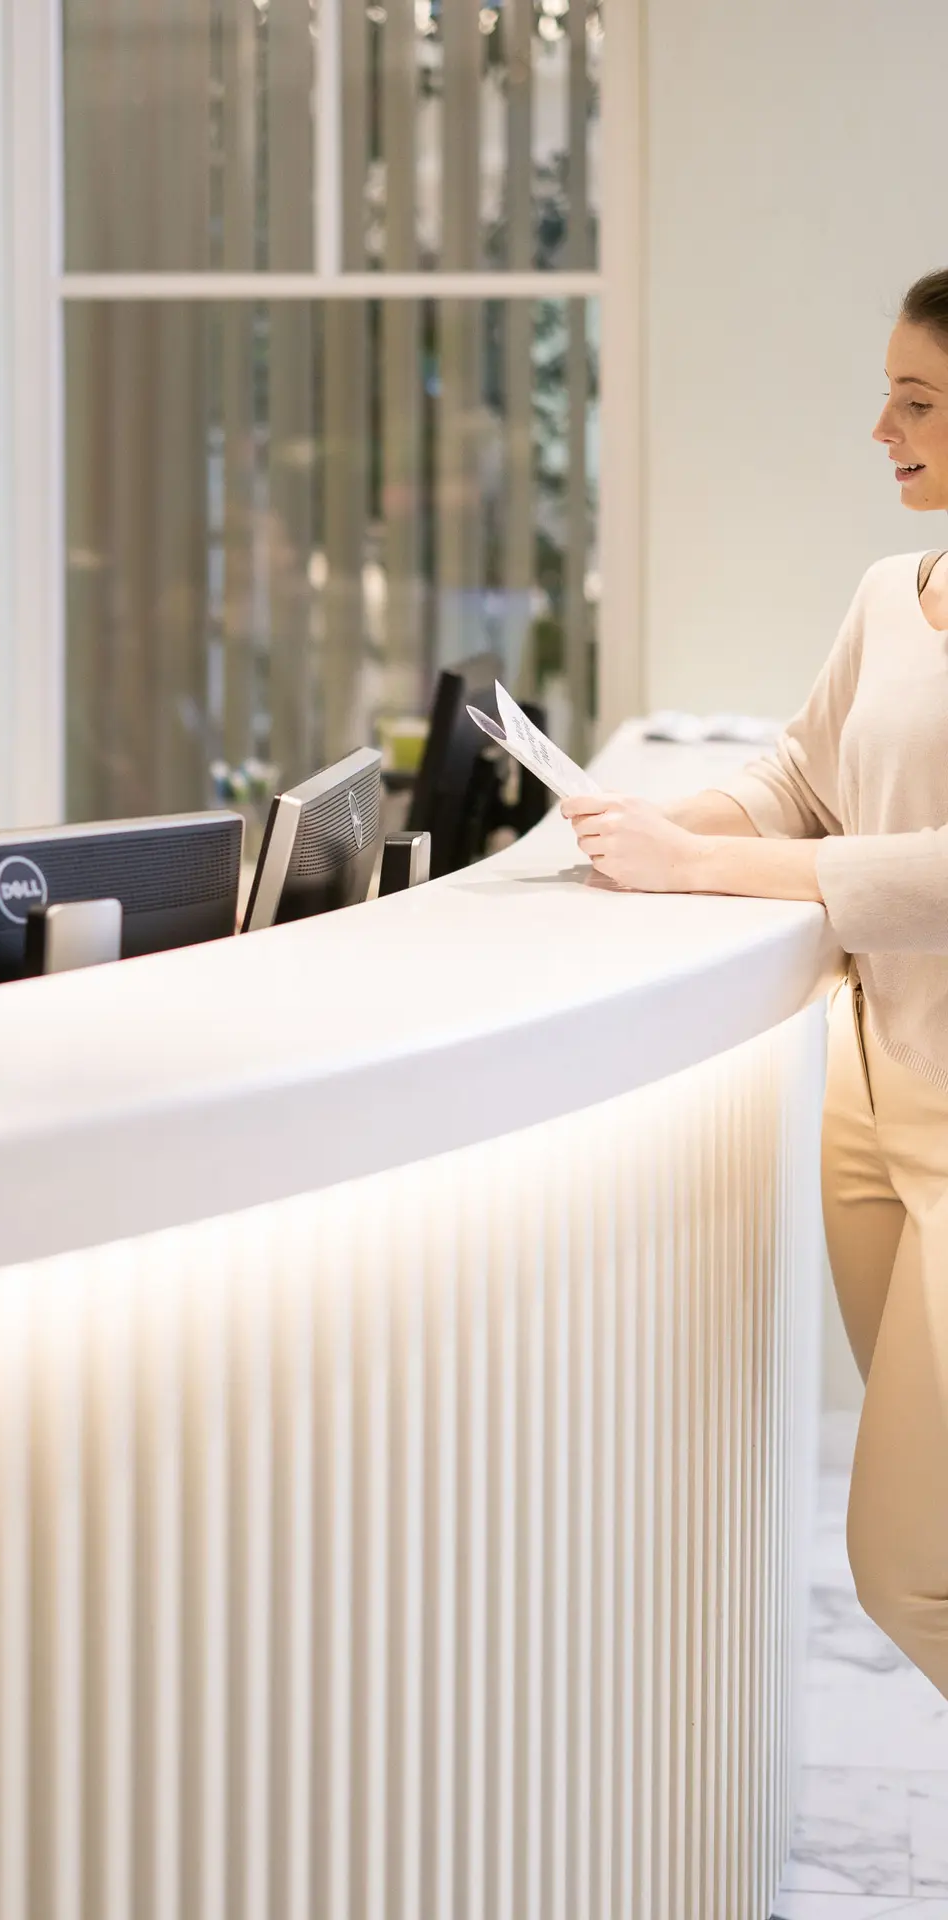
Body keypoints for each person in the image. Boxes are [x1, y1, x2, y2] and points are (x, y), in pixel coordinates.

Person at [561, 265, 948, 1700]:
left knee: (909, 1568)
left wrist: (702, 867)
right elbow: (800, 774)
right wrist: (651, 825)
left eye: (919, 402)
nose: (882, 429)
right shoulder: (893, 593)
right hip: (866, 1099)